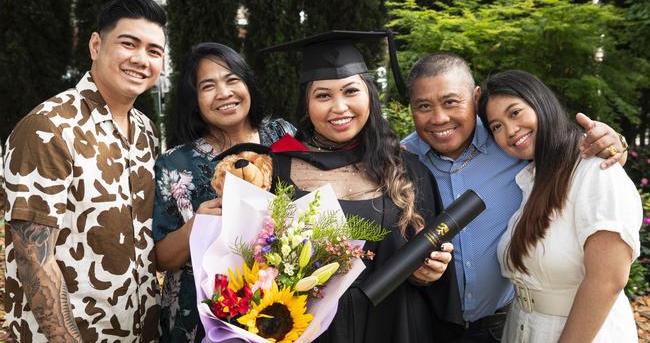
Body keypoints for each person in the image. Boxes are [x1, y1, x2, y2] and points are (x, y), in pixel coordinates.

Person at [401, 53, 628, 342]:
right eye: (423, 106)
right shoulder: (401, 160)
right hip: (430, 324)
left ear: (475, 97)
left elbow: (566, 153)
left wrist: (614, 143)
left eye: (450, 102)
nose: (439, 118)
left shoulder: (514, 146)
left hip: (503, 322)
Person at [262, 30, 454, 343]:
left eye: (351, 91)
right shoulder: (276, 171)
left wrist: (429, 274)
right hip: (309, 331)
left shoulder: (408, 171)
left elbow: (433, 282)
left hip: (396, 327)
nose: (340, 107)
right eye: (323, 95)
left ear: (369, 94)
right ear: (307, 104)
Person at [3, 0, 166, 342]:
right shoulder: (49, 127)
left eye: (154, 51)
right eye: (128, 43)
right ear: (96, 45)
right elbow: (34, 259)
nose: (141, 59)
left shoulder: (146, 131)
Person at [478, 69, 641, 342]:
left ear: (541, 102)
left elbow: (608, 281)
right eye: (496, 126)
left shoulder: (595, 170)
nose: (510, 130)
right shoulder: (529, 180)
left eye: (515, 113)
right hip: (522, 329)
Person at [153, 42, 295, 342]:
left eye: (232, 80)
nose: (224, 93)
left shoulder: (283, 136)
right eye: (208, 86)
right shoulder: (176, 164)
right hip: (200, 315)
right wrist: (196, 227)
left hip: (283, 304)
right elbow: (162, 259)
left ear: (248, 84)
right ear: (195, 99)